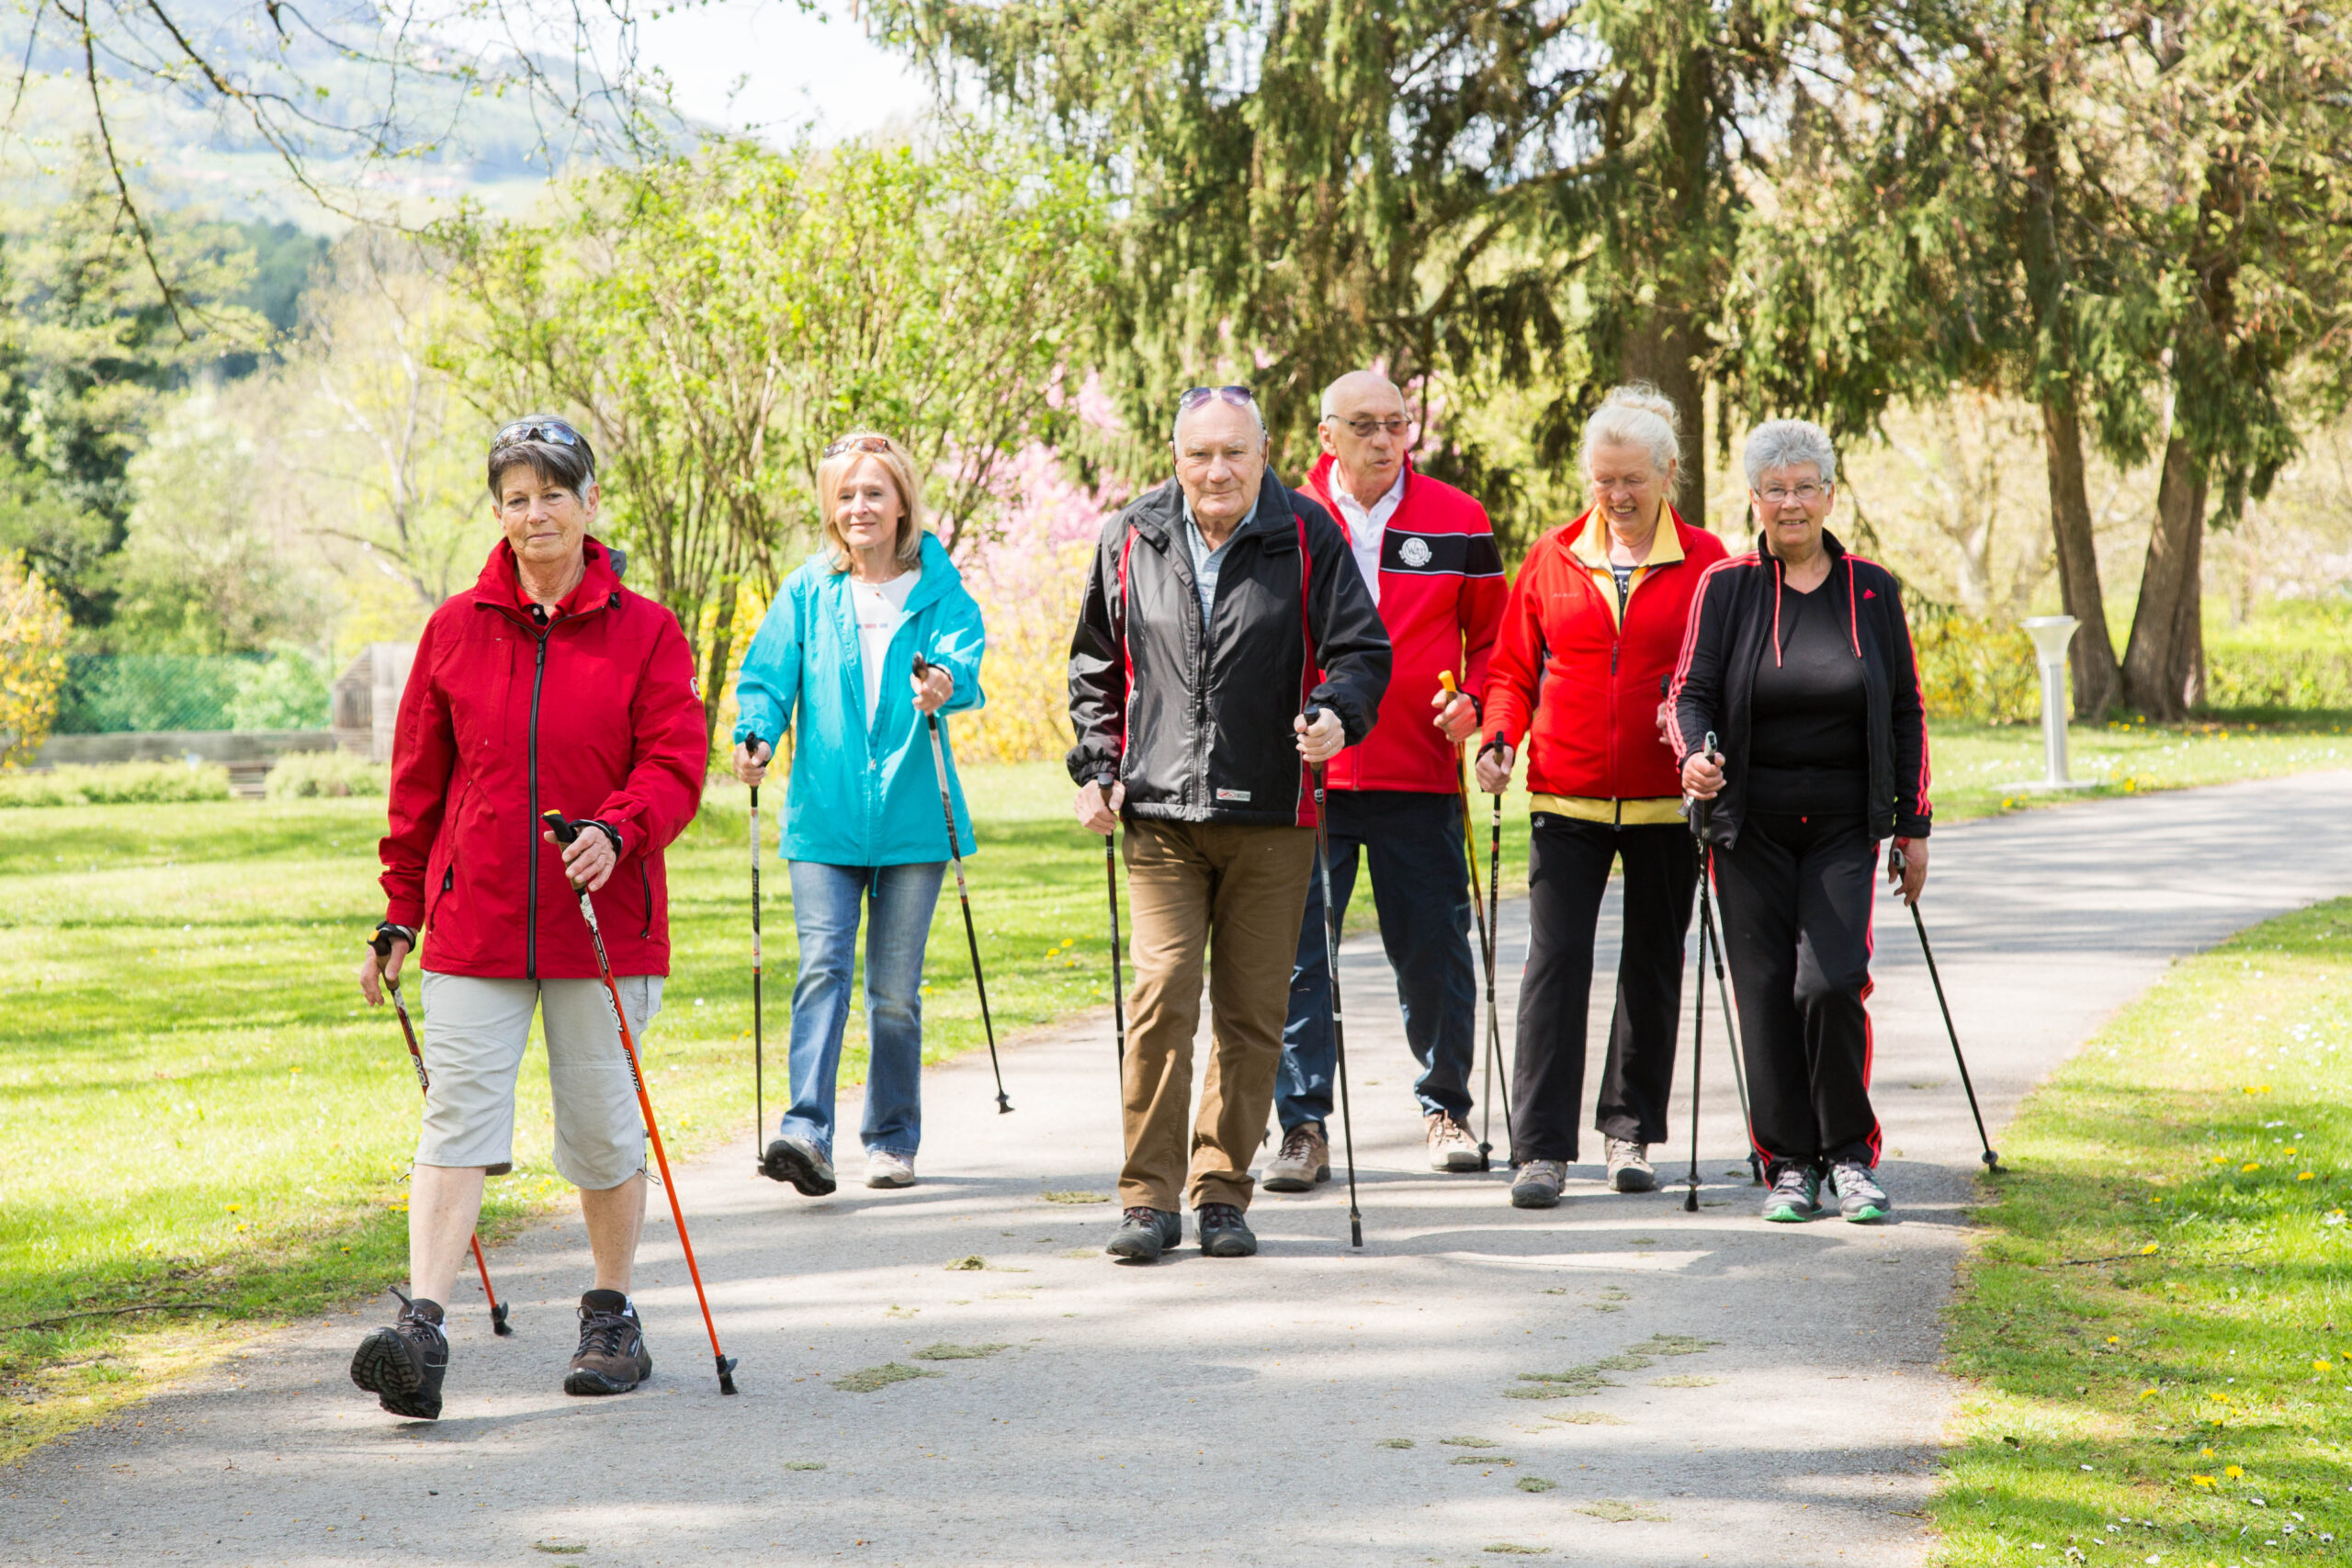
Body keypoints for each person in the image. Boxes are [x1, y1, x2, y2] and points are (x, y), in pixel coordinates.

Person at [353, 414, 707, 1421]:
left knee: (600, 1133)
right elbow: (418, 784)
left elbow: (675, 763)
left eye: (554, 492)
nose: (535, 511)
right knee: (456, 1115)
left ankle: (610, 1316)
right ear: (499, 512)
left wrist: (621, 830)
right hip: (477, 925)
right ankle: (420, 1331)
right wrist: (400, 910)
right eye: (516, 496)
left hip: (603, 925)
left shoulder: (647, 631)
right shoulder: (456, 629)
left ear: (590, 503)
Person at [1069, 385, 1391, 1261]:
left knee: (1252, 1013)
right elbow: (1096, 664)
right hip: (1161, 813)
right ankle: (1147, 1198)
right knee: (1163, 996)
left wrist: (1335, 713)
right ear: (1175, 453)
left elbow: (1362, 650)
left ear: (1264, 452)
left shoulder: (1305, 533)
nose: (1217, 470)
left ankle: (1219, 1192)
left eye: (1234, 453)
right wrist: (1097, 765)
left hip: (1273, 811)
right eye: (1200, 452)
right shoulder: (1133, 533)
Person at [1670, 417, 1931, 1224]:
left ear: (1828, 493)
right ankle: (1787, 1162)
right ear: (1754, 498)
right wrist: (1693, 757)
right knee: (1763, 995)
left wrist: (1912, 824)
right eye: (1774, 489)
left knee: (1828, 985)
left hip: (1844, 826)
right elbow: (1690, 692)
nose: (1791, 503)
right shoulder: (1727, 586)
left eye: (1804, 486)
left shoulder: (1872, 589)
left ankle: (1850, 1155)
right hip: (1748, 828)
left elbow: (1904, 708)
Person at [1476, 386, 1729, 1209]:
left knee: (1652, 967)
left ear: (1668, 474)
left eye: (1632, 480)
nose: (1616, 497)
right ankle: (1540, 1151)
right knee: (1554, 967)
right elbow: (1512, 668)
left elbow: (1718, 676)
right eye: (1602, 480)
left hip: (1665, 798)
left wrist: (1707, 751)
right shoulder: (1552, 557)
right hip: (1567, 794)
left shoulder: (1707, 561)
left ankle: (1630, 1133)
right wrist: (1497, 740)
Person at [1265, 370, 1505, 1191]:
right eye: (1362, 425)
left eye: (1395, 424)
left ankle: (1446, 1107)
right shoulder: (1283, 519)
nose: (1382, 439)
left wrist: (1478, 706)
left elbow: (1499, 643)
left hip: (1418, 767)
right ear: (1326, 434)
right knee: (1297, 955)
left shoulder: (1458, 518)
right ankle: (1300, 1125)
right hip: (1308, 773)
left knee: (1433, 950)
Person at [730, 432, 987, 1197]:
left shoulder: (939, 587)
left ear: (902, 500)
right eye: (845, 494)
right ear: (829, 507)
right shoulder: (809, 588)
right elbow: (766, 680)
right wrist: (755, 735)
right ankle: (805, 1131)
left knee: (894, 993)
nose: (858, 507)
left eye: (873, 492)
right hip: (825, 822)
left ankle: (891, 1137)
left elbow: (961, 660)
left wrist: (944, 680)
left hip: (913, 822)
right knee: (821, 970)